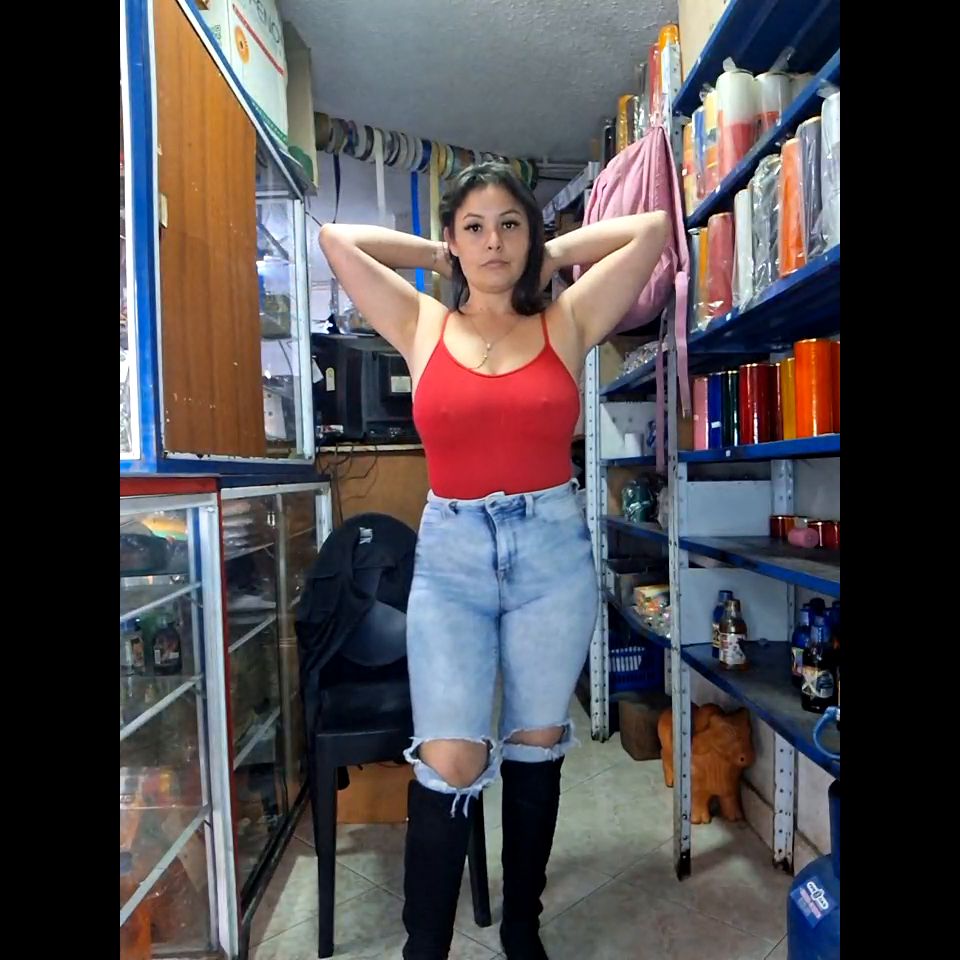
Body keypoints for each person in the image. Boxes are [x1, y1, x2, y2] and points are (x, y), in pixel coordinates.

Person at [319, 162, 668, 960]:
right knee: (450, 758)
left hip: (551, 555)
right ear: (453, 238)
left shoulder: (568, 320)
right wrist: (436, 256)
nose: (493, 242)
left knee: (536, 747)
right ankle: (424, 950)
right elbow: (336, 239)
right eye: (473, 227)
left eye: (511, 224)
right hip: (453, 560)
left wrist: (553, 254)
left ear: (530, 236)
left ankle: (521, 927)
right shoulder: (420, 322)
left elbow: (651, 232)